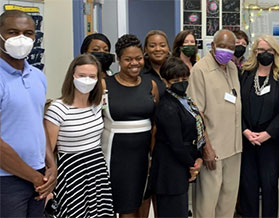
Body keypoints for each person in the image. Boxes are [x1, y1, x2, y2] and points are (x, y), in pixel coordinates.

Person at [0, 10, 57, 218]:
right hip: (6, 182)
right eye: (13, 32)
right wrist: (33, 177)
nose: (21, 39)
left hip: (38, 177)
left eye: (28, 33)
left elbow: (37, 123)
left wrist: (51, 166)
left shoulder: (37, 77)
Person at [44, 54, 114, 217]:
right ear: (72, 77)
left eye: (92, 76)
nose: (87, 80)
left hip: (97, 170)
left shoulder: (97, 105)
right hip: (71, 171)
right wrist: (48, 189)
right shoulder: (58, 109)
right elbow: (47, 153)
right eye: (82, 76)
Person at [101, 34, 159, 217]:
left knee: (137, 204)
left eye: (138, 58)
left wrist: (152, 156)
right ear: (118, 60)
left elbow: (155, 123)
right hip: (114, 156)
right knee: (116, 206)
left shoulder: (150, 85)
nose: (134, 63)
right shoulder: (104, 85)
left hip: (142, 157)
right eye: (128, 59)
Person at [187, 29, 242, 218]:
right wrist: (207, 148)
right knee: (207, 203)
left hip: (234, 148)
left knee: (228, 201)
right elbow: (196, 113)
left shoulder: (233, 68)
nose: (226, 51)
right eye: (222, 46)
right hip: (214, 149)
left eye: (231, 48)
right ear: (212, 46)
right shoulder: (200, 70)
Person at [238, 34, 279, 217]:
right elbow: (237, 106)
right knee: (248, 186)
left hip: (272, 142)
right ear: (254, 52)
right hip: (247, 140)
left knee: (270, 186)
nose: (265, 53)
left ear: (276, 52)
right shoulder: (245, 73)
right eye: (261, 50)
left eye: (269, 50)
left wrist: (267, 133)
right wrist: (245, 130)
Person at [148, 57, 205, 217]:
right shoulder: (167, 106)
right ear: (165, 81)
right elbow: (176, 144)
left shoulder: (185, 100)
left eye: (184, 79)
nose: (181, 82)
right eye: (175, 80)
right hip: (170, 170)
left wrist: (198, 156)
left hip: (181, 166)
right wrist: (192, 164)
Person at [143, 30, 171, 96]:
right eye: (152, 46)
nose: (158, 49)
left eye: (162, 45)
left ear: (168, 48)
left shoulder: (176, 69)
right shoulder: (140, 73)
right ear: (146, 49)